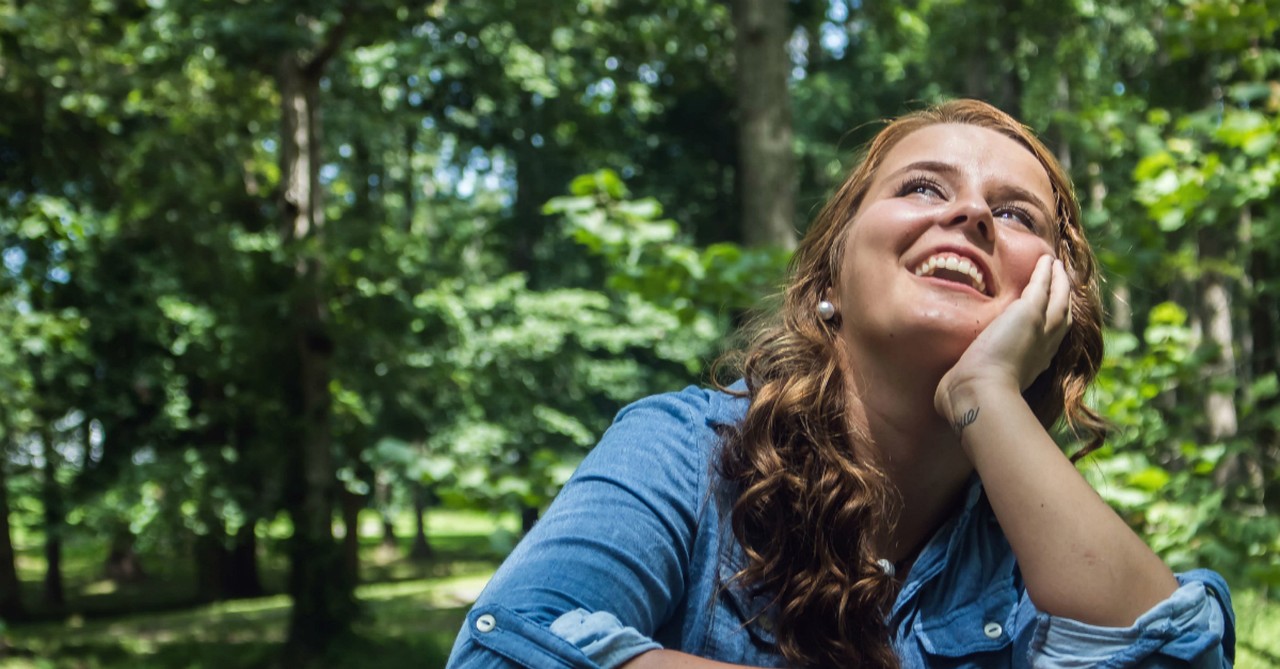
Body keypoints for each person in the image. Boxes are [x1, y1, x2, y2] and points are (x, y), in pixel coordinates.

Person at [446, 99, 1235, 668]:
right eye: (923, 187)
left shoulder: (1045, 550)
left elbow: (1178, 655)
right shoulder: (683, 449)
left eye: (1018, 213)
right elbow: (506, 647)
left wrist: (985, 393)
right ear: (832, 273)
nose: (970, 215)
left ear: (1053, 302)